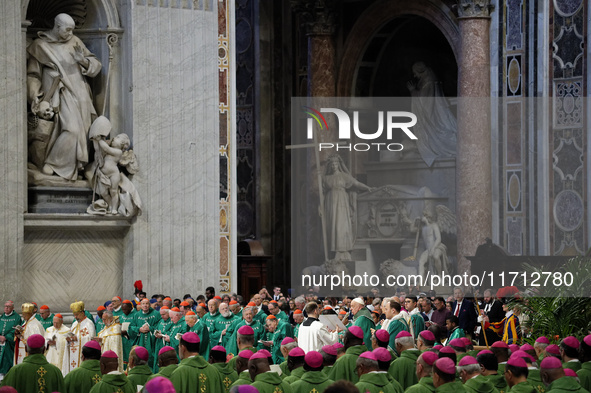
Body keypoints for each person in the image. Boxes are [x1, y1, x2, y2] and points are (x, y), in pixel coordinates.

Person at [26, 13, 102, 180]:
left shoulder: (74, 41)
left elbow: (95, 65)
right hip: (58, 93)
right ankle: (53, 164)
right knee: (73, 130)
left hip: (80, 92)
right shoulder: (39, 46)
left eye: (72, 30)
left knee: (84, 129)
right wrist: (35, 98)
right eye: (67, 30)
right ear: (57, 26)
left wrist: (82, 61)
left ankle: (73, 167)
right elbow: (32, 75)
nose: (70, 33)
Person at [405, 61, 457, 167]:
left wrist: (413, 91)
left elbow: (423, 103)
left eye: (415, 72)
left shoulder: (428, 82)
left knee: (440, 136)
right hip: (434, 114)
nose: (414, 75)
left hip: (433, 118)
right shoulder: (426, 81)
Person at [322, 154, 373, 260]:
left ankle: (342, 250)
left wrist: (367, 188)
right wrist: (320, 206)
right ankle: (333, 251)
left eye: (336, 163)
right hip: (330, 203)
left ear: (339, 164)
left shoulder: (344, 176)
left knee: (341, 225)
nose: (334, 166)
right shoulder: (326, 178)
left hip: (341, 202)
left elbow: (356, 183)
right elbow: (323, 193)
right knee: (332, 225)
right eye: (332, 164)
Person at [63, 301, 96, 374]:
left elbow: (91, 339)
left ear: (82, 313)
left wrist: (77, 338)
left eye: (77, 315)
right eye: (74, 315)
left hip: (82, 353)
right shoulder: (74, 324)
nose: (75, 317)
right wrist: (69, 340)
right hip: (73, 352)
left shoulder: (89, 323)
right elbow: (71, 335)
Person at [135, 298, 162, 371]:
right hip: (141, 340)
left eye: (147, 304)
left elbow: (159, 325)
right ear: (140, 305)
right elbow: (132, 327)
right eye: (143, 304)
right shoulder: (137, 315)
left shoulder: (156, 314)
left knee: (151, 356)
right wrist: (139, 329)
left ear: (150, 305)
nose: (145, 305)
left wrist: (150, 328)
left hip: (152, 341)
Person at [0, 301, 21, 375]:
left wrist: (6, 337)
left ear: (13, 308)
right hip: (0, 341)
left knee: (7, 360)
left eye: (8, 306)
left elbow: (16, 329)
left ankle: (7, 375)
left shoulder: (17, 317)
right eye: (5, 306)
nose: (6, 308)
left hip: (9, 343)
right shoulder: (2, 316)